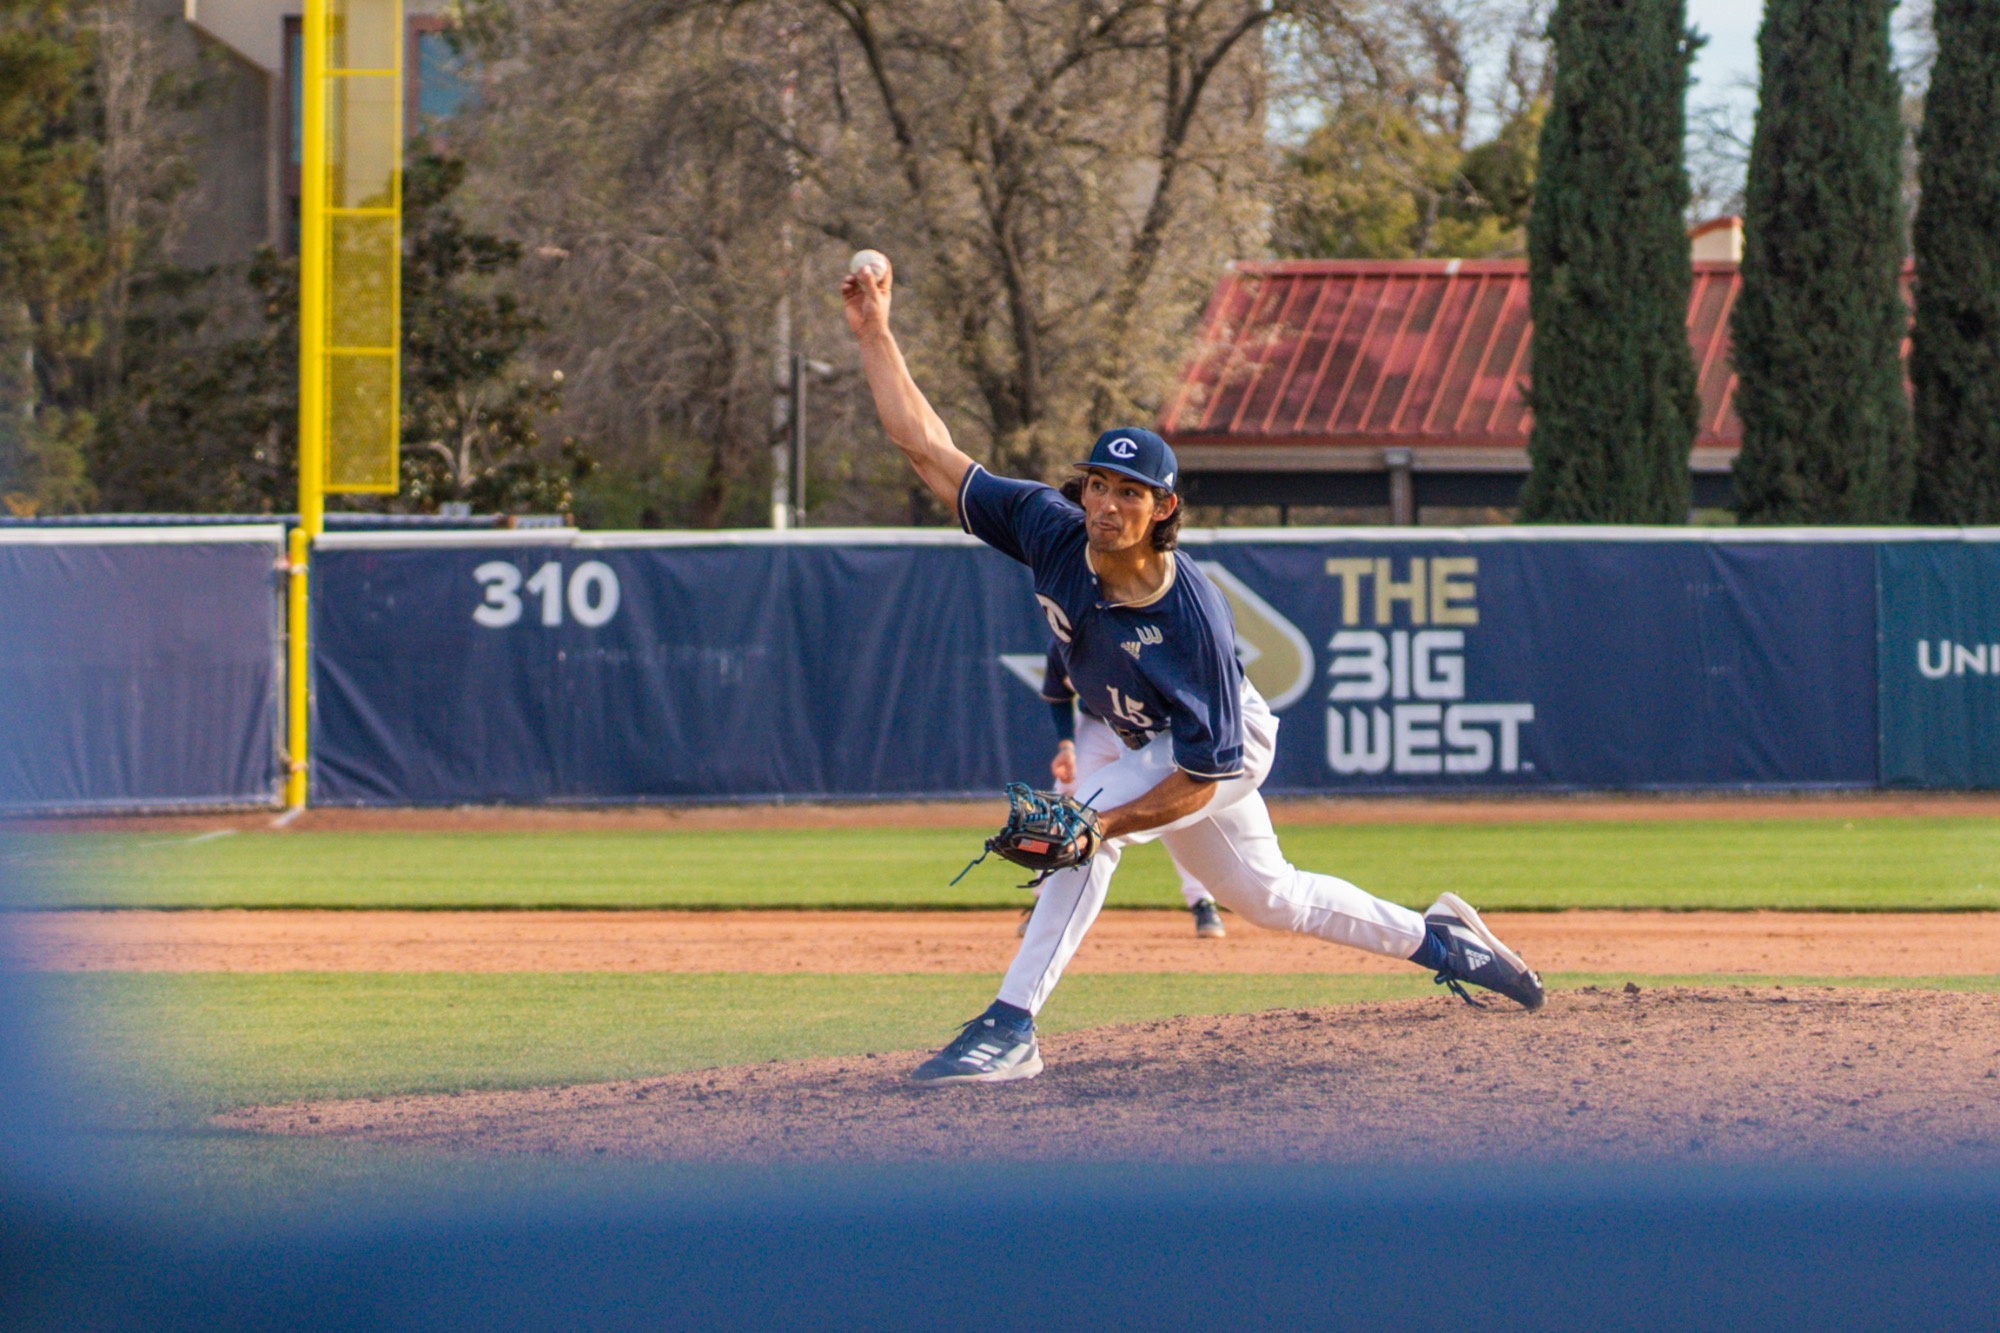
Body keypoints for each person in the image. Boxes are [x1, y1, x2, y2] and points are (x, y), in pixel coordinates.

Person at [841, 255, 1544, 1087]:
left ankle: (1011, 1025)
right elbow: (928, 449)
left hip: (1222, 746)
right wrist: (876, 333)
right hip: (1139, 733)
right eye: (1098, 484)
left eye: (1129, 493)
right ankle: (1443, 939)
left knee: (1083, 829)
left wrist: (1101, 824)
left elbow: (1203, 774)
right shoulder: (1049, 527)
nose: (1106, 504)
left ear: (1163, 508)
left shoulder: (1191, 617)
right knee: (1269, 898)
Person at [1037, 639, 1225, 940]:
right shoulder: (1065, 641)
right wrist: (1065, 745)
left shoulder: (1135, 637)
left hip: (1151, 729)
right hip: (1097, 727)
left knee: (1176, 804)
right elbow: (1058, 695)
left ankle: (1202, 901)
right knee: (1068, 800)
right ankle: (1042, 901)